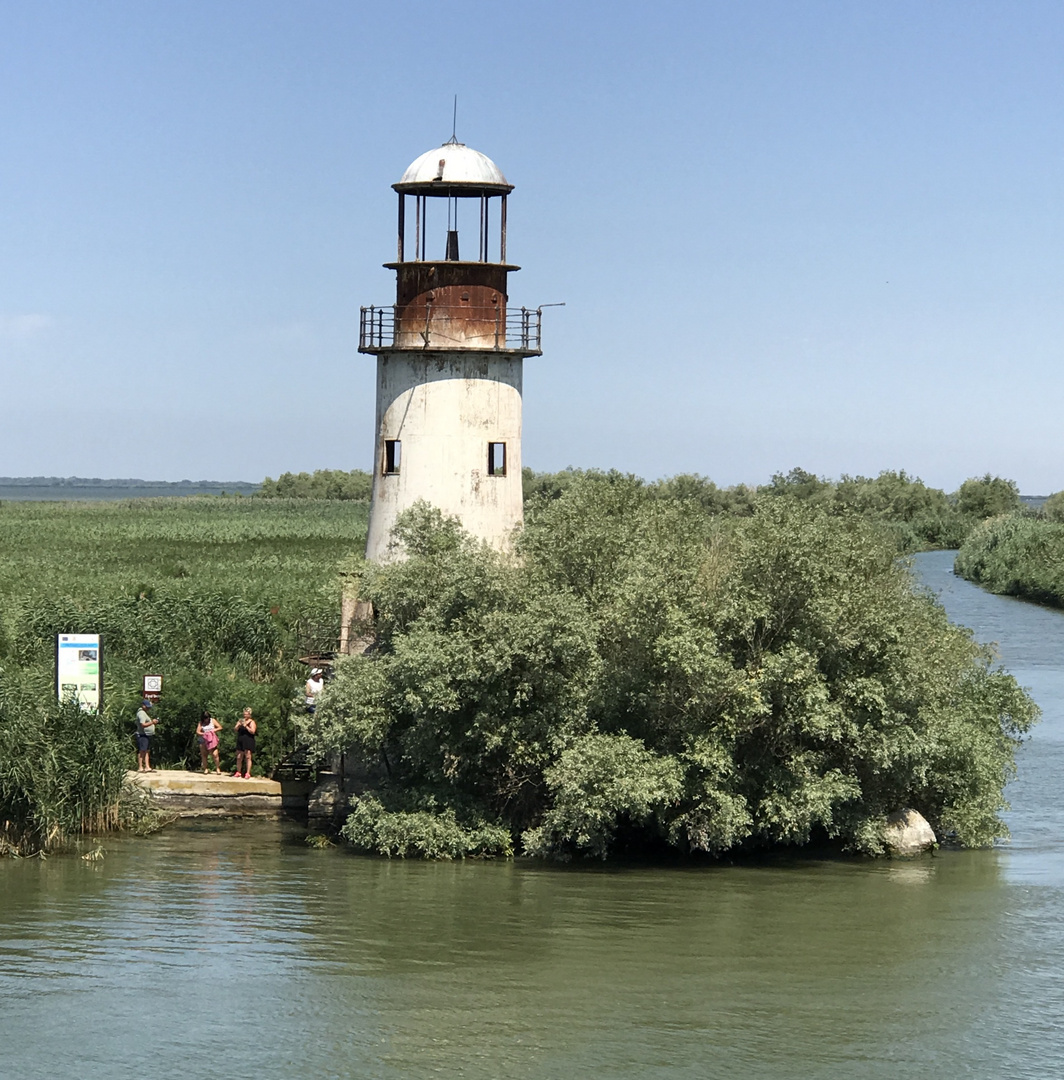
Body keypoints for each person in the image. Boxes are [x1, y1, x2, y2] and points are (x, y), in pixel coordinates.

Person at [234, 707, 257, 778]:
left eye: (246, 714)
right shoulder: (241, 720)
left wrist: (246, 726)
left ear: (249, 715)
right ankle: (238, 771)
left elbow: (253, 731)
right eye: (244, 714)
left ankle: (248, 773)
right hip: (240, 739)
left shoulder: (252, 722)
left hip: (248, 740)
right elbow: (235, 729)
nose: (244, 716)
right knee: (239, 757)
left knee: (248, 756)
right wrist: (238, 725)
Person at [135, 698, 157, 772]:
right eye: (147, 706)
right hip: (142, 735)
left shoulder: (144, 713)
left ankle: (147, 767)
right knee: (142, 751)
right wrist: (152, 722)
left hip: (147, 735)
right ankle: (140, 767)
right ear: (143, 706)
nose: (148, 708)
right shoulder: (141, 713)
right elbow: (143, 724)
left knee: (147, 750)